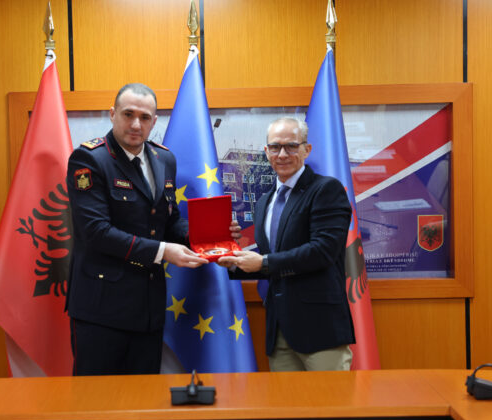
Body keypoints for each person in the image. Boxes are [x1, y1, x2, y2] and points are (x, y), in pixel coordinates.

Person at [66, 83, 208, 375]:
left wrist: (205, 235)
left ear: (154, 122)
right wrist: (163, 251)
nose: (135, 124)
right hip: (101, 309)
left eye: (144, 118)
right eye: (128, 114)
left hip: (148, 308)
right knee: (96, 397)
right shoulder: (89, 159)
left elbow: (168, 220)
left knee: (145, 396)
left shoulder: (164, 159)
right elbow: (96, 232)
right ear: (112, 114)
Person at [218, 117, 356, 371]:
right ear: (266, 151)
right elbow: (273, 259)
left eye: (291, 146)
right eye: (275, 147)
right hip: (279, 329)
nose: (282, 154)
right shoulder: (264, 202)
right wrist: (234, 261)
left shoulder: (326, 189)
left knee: (330, 398)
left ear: (306, 149)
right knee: (284, 398)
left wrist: (264, 262)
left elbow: (323, 251)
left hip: (320, 329)